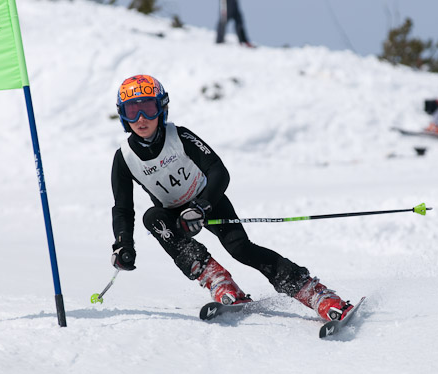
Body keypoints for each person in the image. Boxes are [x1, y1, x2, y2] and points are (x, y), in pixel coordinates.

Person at [110, 74, 353, 321]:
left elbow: (218, 171)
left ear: (161, 109)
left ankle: (315, 293)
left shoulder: (180, 137)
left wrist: (202, 206)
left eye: (148, 109)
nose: (141, 119)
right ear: (123, 115)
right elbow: (122, 209)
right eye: (132, 111)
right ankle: (217, 280)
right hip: (174, 215)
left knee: (241, 249)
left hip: (207, 201)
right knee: (153, 218)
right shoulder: (125, 157)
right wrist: (123, 245)